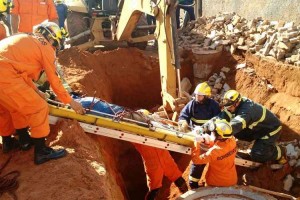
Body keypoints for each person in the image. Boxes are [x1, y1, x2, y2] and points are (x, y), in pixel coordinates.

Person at [68, 96, 188, 199]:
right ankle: (176, 186)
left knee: (158, 168)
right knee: (160, 166)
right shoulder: (147, 131)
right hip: (155, 159)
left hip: (154, 162)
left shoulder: (147, 132)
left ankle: (172, 187)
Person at [0, 21, 85, 165]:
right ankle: (41, 152)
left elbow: (21, 74)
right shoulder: (45, 47)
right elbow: (54, 79)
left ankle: (17, 142)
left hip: (7, 73)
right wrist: (71, 102)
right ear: (52, 38)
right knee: (39, 108)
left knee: (11, 107)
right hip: (5, 75)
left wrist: (37, 91)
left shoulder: (26, 39)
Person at [218, 90, 285, 164]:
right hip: (259, 129)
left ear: (236, 103)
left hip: (271, 130)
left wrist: (219, 132)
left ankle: (280, 151)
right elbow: (221, 117)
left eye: (229, 107)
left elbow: (237, 123)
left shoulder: (247, 110)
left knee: (257, 155)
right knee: (236, 133)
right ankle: (259, 143)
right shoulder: (235, 104)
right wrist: (205, 128)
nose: (228, 109)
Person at [178, 82, 220, 189]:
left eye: (200, 95)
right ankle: (193, 184)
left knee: (202, 160)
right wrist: (183, 122)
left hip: (208, 137)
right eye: (196, 95)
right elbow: (183, 115)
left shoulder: (213, 106)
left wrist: (211, 134)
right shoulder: (192, 104)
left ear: (206, 96)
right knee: (198, 161)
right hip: (195, 135)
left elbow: (217, 121)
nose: (197, 97)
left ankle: (202, 182)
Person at [191, 119, 237, 187]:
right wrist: (206, 141)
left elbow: (196, 160)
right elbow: (222, 146)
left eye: (213, 132)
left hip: (215, 183)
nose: (212, 133)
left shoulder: (214, 152)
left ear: (220, 136)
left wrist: (196, 142)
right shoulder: (232, 140)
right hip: (232, 180)